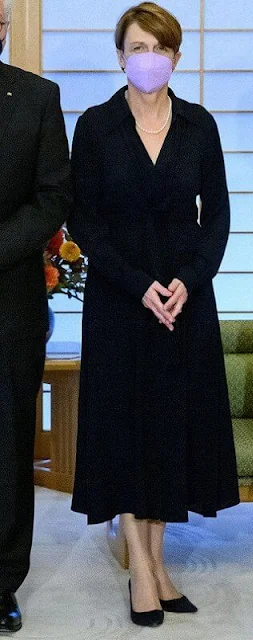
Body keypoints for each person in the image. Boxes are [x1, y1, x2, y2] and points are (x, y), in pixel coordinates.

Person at [68, 2, 239, 628]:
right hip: (119, 301)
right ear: (120, 55)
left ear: (176, 56)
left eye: (161, 47)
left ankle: (160, 563)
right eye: (138, 46)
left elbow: (216, 216)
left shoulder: (199, 125)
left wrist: (187, 283)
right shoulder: (95, 125)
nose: (149, 57)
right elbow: (83, 219)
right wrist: (141, 285)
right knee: (125, 433)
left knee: (170, 431)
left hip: (184, 303)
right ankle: (140, 570)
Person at [0, 0, 72, 632]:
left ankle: (0, 584)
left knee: (7, 442)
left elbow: (52, 195)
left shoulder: (37, 97)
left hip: (10, 297)